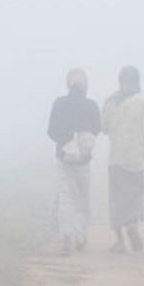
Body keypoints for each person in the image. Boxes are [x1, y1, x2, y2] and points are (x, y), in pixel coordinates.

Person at [47, 68, 101, 256]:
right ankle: (80, 235)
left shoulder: (59, 104)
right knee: (82, 198)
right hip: (83, 161)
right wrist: (82, 143)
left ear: (68, 84)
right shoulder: (92, 106)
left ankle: (66, 237)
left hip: (64, 159)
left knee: (65, 197)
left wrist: (66, 141)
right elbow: (96, 129)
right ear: (85, 85)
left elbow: (51, 131)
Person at [102, 65, 144, 253]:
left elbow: (104, 128)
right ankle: (133, 224)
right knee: (135, 196)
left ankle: (119, 241)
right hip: (136, 158)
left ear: (120, 80)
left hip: (116, 159)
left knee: (117, 200)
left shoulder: (110, 102)